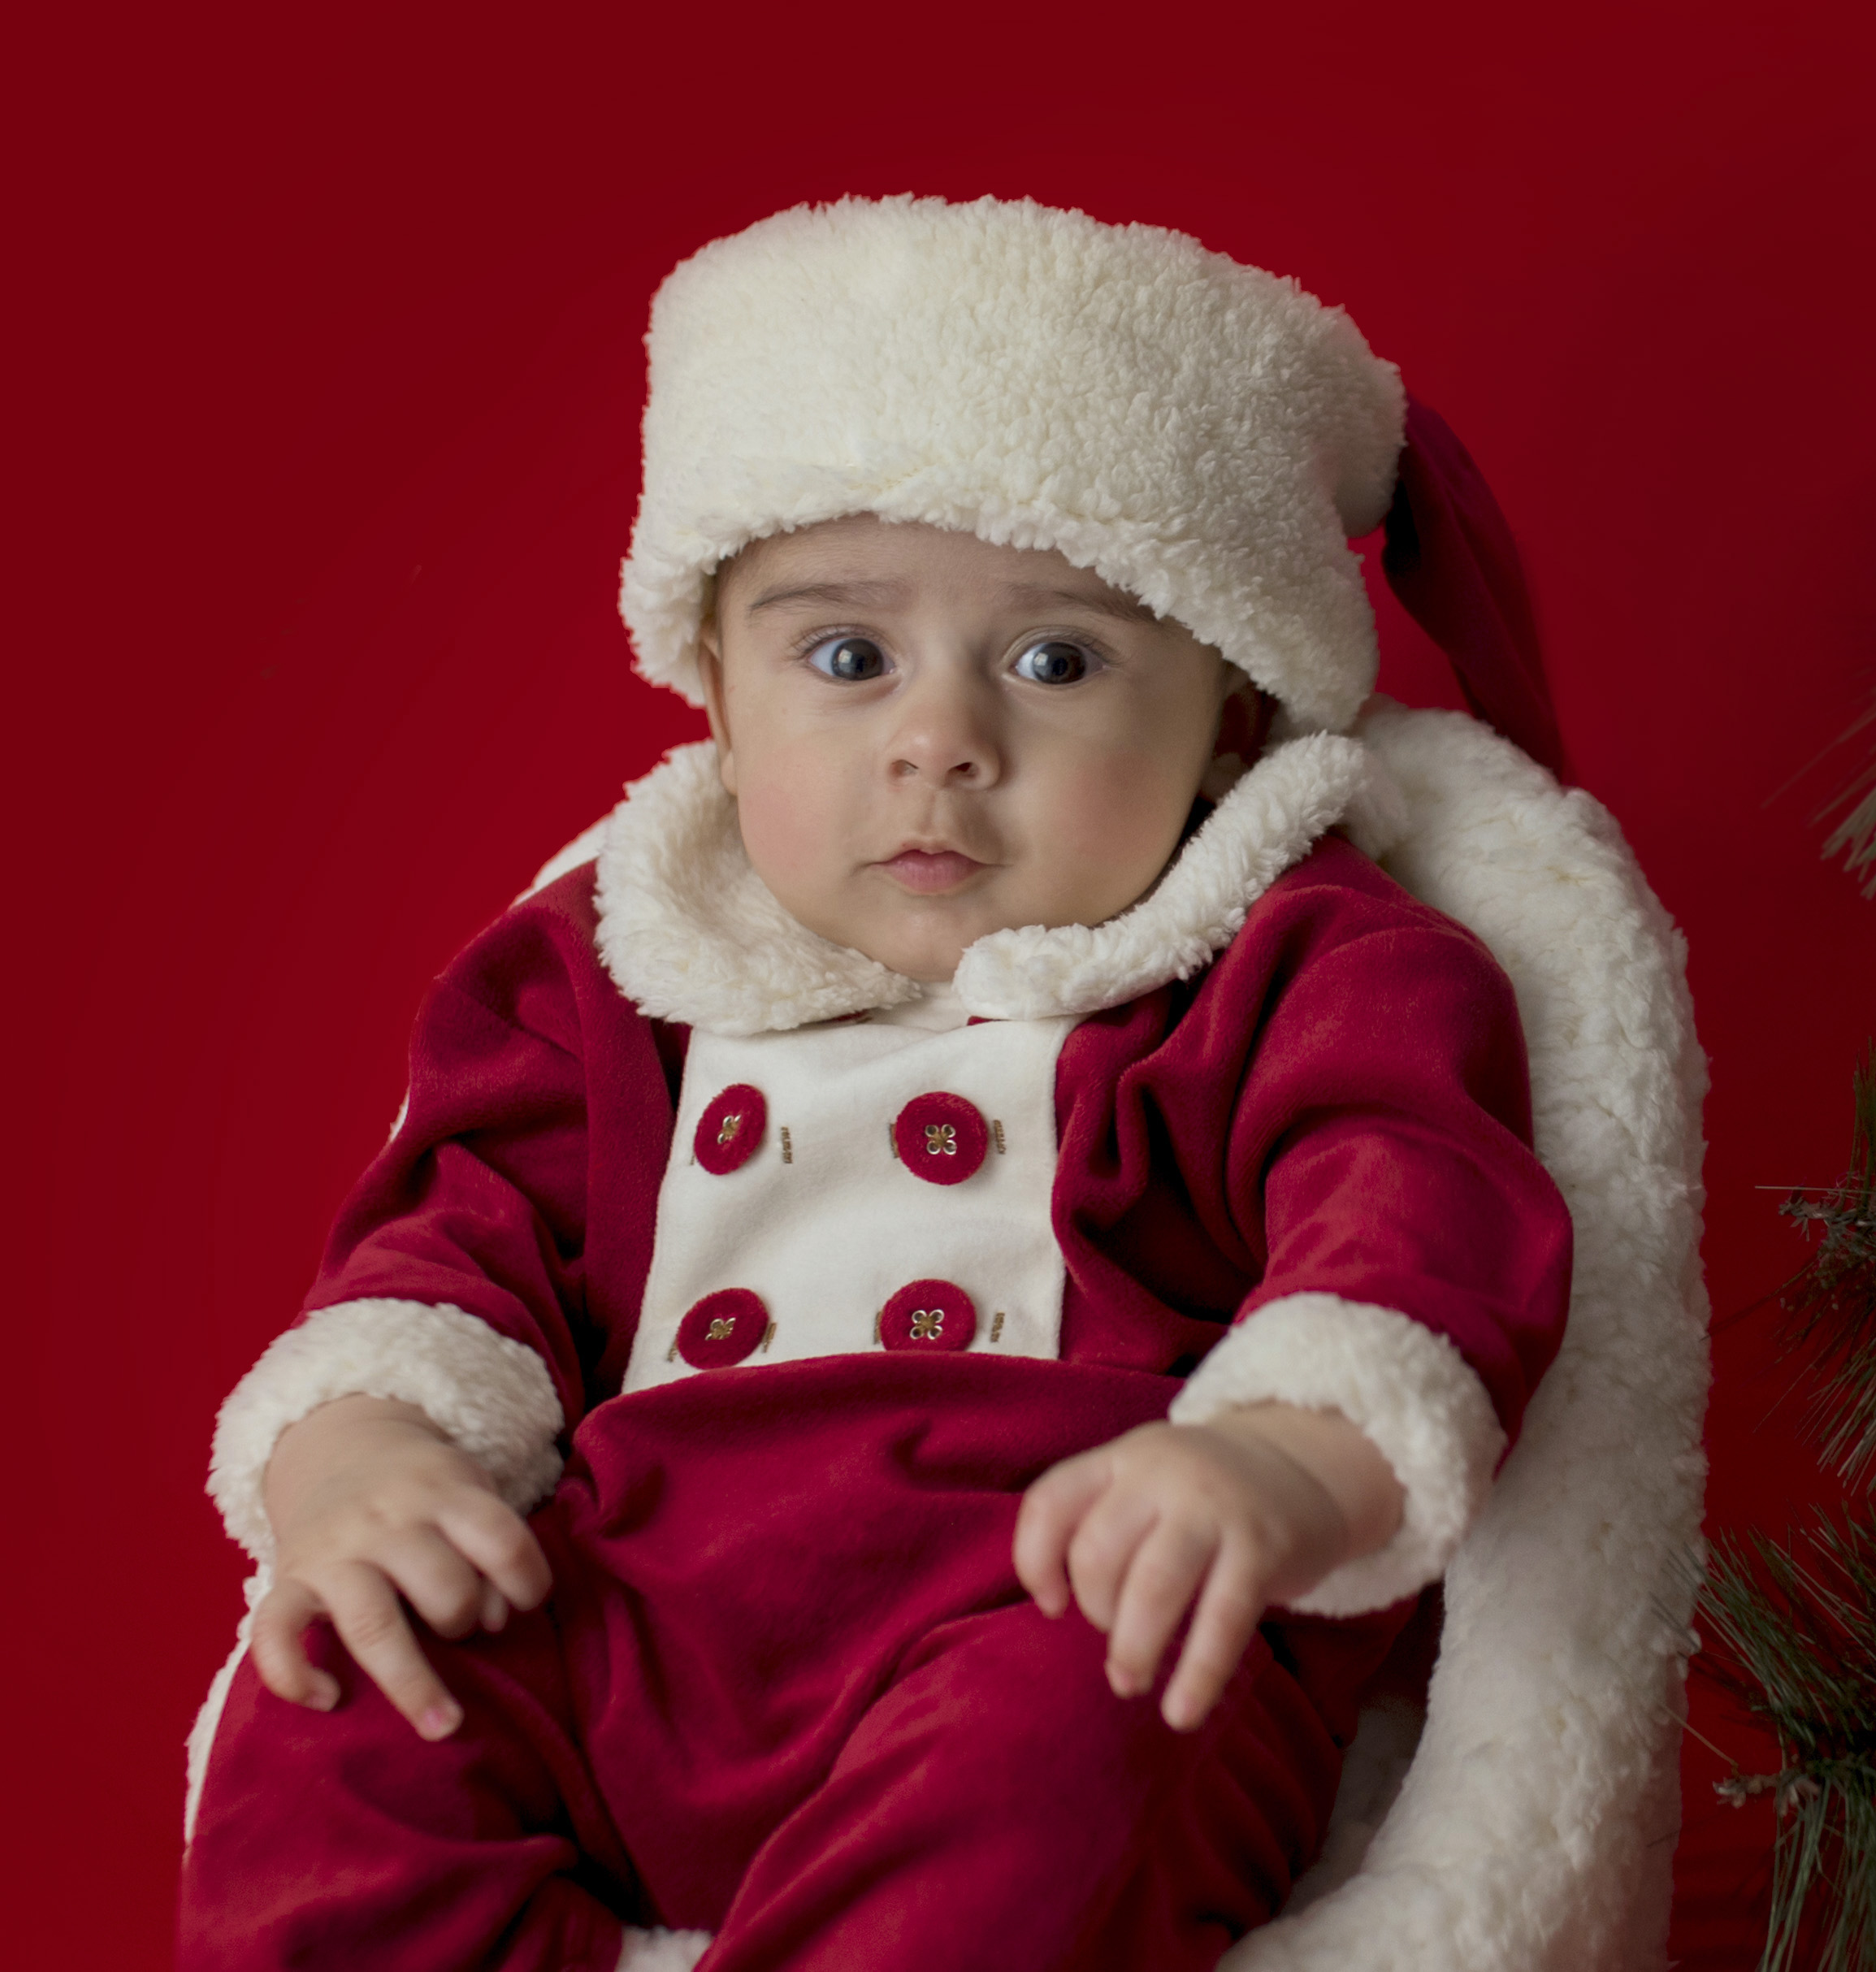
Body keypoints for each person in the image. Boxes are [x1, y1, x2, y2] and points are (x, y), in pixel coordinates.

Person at [179, 193, 1573, 1972]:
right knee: (332, 1716)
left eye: (1055, 660)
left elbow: (1409, 1224)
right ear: (720, 696)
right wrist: (363, 1459)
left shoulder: (1293, 958)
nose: (940, 740)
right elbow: (440, 1257)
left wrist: (1280, 1459)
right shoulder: (606, 965)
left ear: (1231, 710)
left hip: (1061, 1602)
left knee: (1071, 1757)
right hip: (625, 1625)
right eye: (845, 659)